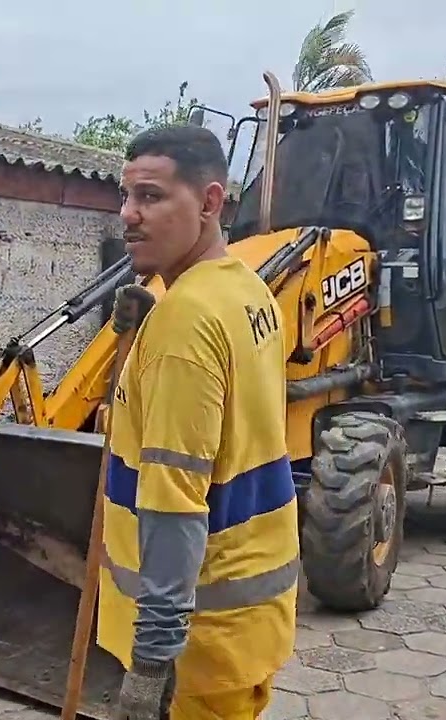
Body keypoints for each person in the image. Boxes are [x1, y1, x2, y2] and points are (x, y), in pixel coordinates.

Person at [98, 124, 299, 720]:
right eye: (126, 196)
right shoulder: (251, 292)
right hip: (249, 610)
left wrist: (153, 662)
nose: (129, 216)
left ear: (210, 202)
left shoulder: (184, 323)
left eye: (152, 197)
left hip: (196, 642)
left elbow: (174, 503)